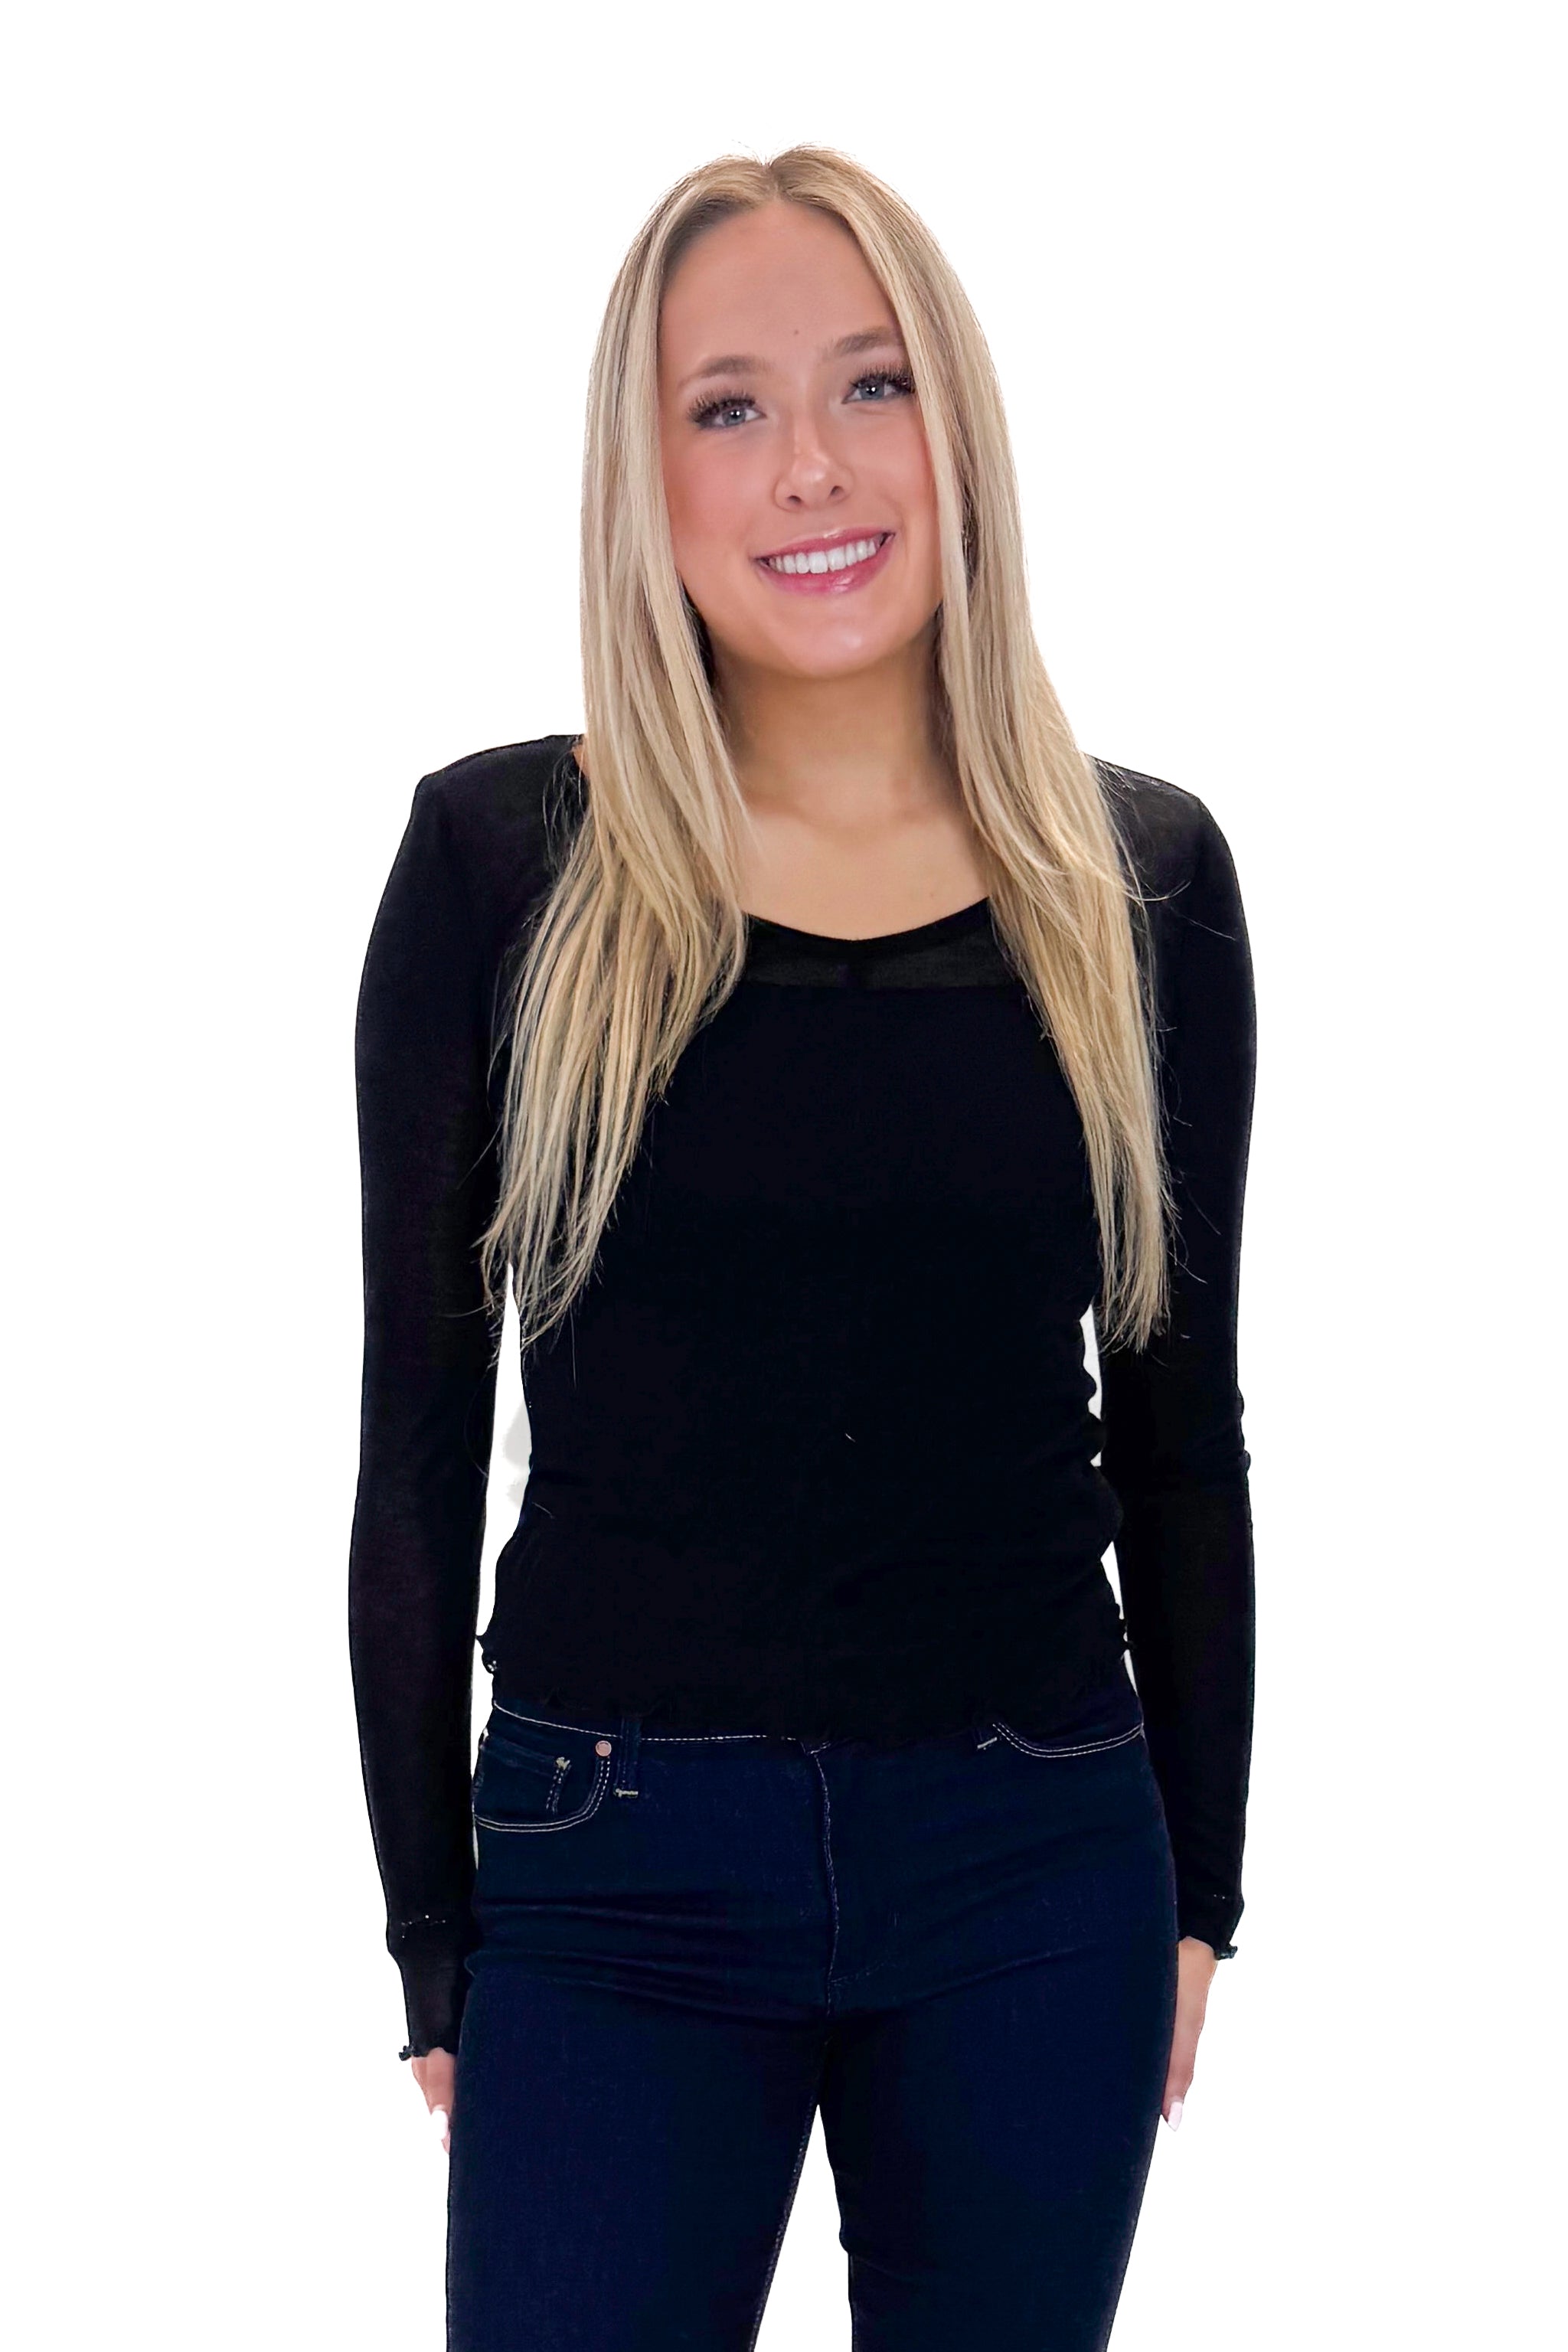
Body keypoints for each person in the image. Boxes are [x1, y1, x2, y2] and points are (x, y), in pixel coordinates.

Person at [349, 145, 1256, 2352]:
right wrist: (435, 1939)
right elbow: (413, 1439)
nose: (815, 467)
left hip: (1037, 1862)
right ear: (637, 472)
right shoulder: (506, 866)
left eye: (874, 386)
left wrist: (1199, 1890)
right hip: (613, 1867)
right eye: (726, 406)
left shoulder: (1137, 880)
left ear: (960, 430)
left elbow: (1178, 1427)